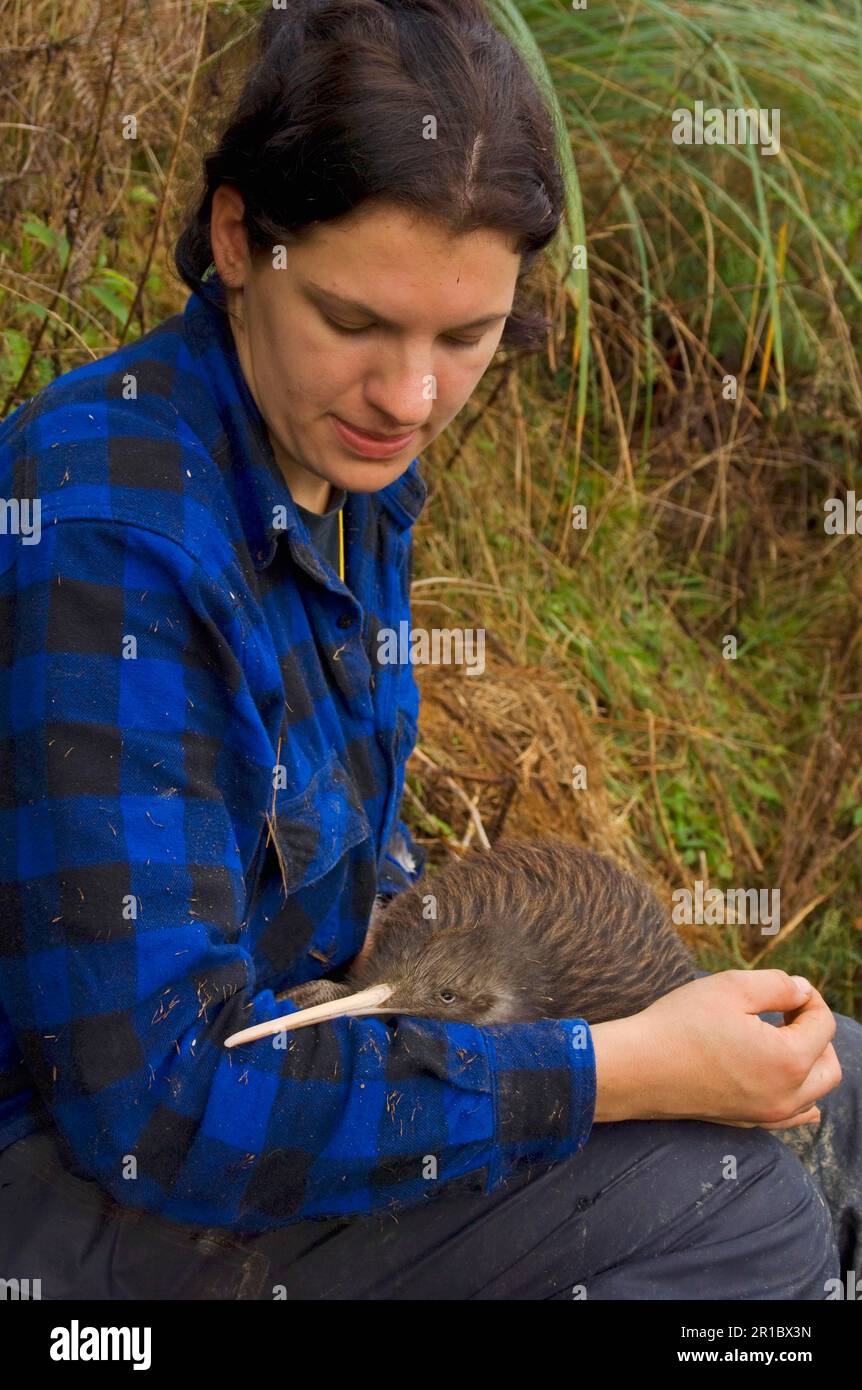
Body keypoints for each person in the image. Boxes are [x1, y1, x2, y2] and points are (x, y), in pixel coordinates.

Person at [0, 0, 858, 1301]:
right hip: (76, 1182)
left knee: (835, 1078)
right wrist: (615, 1072)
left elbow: (350, 901)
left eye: (463, 339)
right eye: (355, 322)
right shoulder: (110, 530)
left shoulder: (348, 469)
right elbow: (158, 1111)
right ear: (239, 238)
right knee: (736, 1213)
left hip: (282, 1050)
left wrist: (609, 1029)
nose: (408, 398)